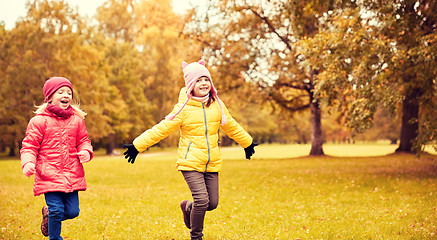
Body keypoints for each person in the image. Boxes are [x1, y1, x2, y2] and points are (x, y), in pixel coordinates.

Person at [123, 59, 258, 240]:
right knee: (202, 200)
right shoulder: (183, 109)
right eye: (198, 80)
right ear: (190, 85)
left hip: (211, 162)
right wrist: (138, 145)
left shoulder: (217, 105)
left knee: (212, 203)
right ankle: (196, 237)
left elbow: (231, 125)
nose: (203, 83)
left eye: (206, 80)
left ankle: (187, 207)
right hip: (190, 162)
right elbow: (161, 129)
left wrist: (247, 143)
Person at [20, 77, 93, 240]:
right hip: (49, 174)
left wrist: (86, 151)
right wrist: (28, 162)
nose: (66, 95)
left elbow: (83, 141)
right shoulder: (39, 121)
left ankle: (48, 215)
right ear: (50, 97)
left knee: (73, 212)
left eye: (69, 92)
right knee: (57, 210)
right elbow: (29, 145)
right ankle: (55, 237)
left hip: (72, 174)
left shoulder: (77, 120)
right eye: (60, 92)